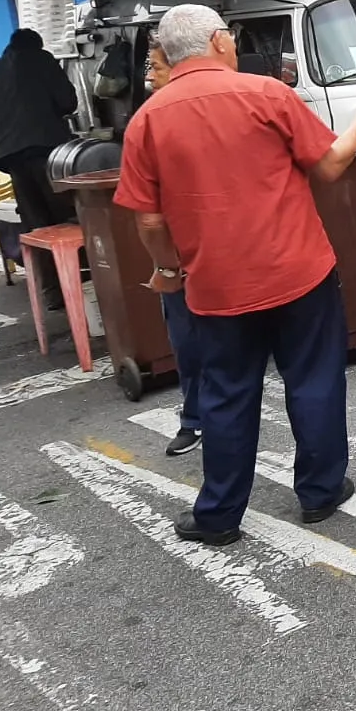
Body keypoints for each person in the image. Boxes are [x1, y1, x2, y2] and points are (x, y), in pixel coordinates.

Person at [115, 5, 356, 544]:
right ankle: (319, 493)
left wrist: (169, 269)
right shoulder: (266, 93)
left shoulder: (147, 119)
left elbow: (148, 220)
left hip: (216, 285)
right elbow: (331, 166)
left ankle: (218, 515)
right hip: (298, 271)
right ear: (219, 41)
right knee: (313, 382)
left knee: (226, 393)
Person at [0, 28, 79, 309]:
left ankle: (53, 292)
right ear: (37, 46)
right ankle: (81, 283)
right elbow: (69, 102)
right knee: (66, 219)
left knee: (37, 224)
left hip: (12, 158)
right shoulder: (42, 60)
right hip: (48, 152)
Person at [142, 36, 201, 457]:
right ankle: (195, 419)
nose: (148, 75)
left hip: (209, 253)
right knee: (185, 339)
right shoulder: (147, 122)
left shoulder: (199, 115)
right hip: (178, 256)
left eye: (156, 66)